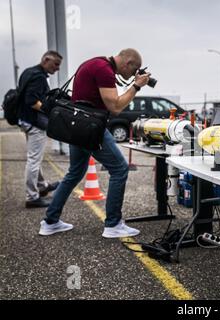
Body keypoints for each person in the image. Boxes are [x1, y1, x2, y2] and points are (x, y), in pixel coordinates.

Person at [39, 49, 151, 238]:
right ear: (128, 63)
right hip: (89, 128)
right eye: (135, 70)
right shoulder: (104, 70)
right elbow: (115, 107)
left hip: (77, 127)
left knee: (74, 173)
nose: (134, 74)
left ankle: (50, 221)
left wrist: (132, 83)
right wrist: (136, 86)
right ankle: (113, 225)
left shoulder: (94, 63)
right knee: (120, 169)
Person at [19, 51, 62, 209]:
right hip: (35, 122)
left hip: (25, 120)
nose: (57, 68)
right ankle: (32, 197)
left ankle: (42, 186)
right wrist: (49, 111)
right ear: (46, 60)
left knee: (34, 157)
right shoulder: (39, 77)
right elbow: (31, 101)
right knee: (34, 159)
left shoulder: (28, 72)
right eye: (56, 64)